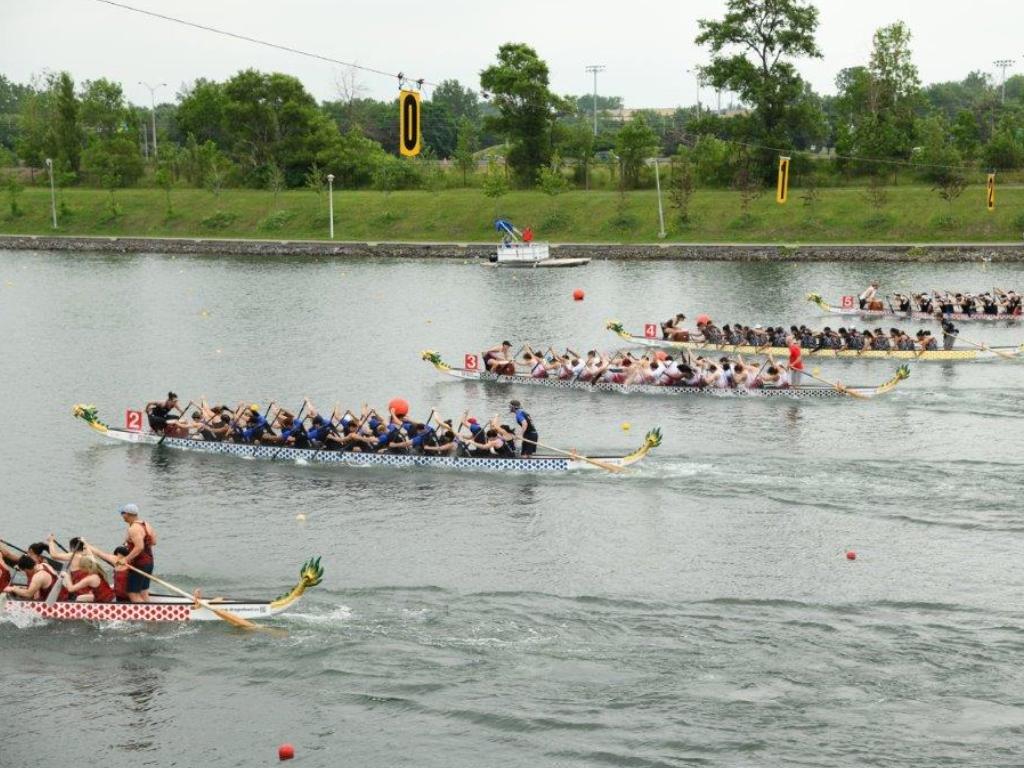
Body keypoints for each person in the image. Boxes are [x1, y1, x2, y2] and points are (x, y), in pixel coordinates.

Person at [91, 503, 156, 603]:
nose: (122, 516)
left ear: (128, 514)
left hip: (140, 564)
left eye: (122, 513)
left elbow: (139, 547)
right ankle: (152, 610)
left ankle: (144, 616)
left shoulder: (133, 528)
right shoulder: (146, 524)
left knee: (132, 593)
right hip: (149, 561)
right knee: (143, 591)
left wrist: (126, 559)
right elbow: (153, 542)